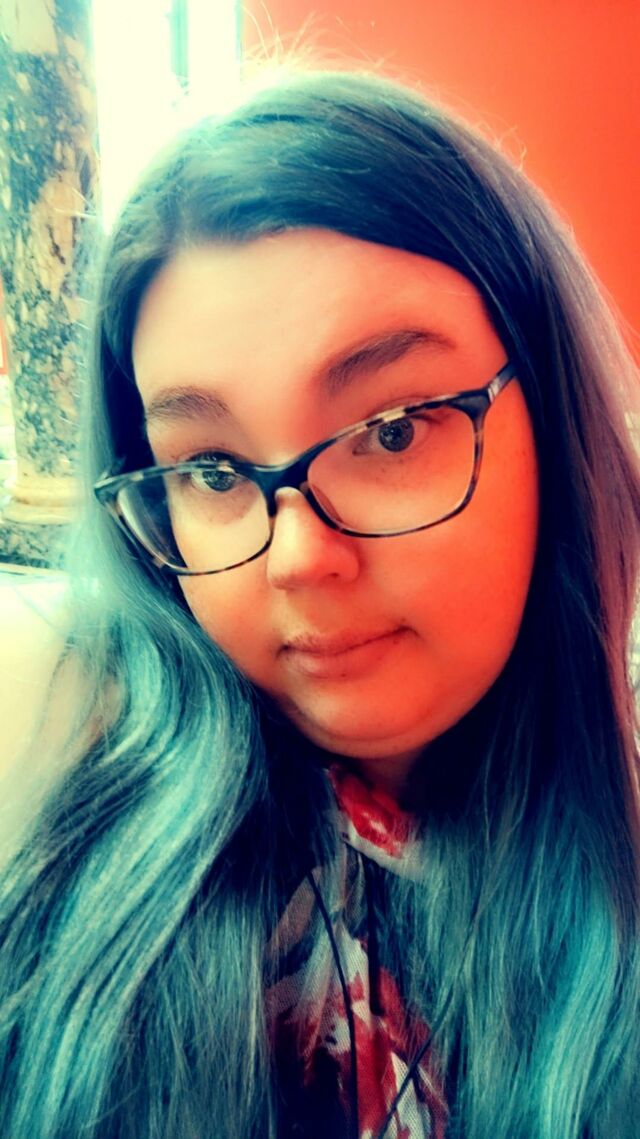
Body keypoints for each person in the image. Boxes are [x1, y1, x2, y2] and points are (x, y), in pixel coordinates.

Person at [1, 66, 639, 1139]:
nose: (297, 559)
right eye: (210, 469)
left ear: (551, 413)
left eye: (391, 430)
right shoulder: (55, 751)